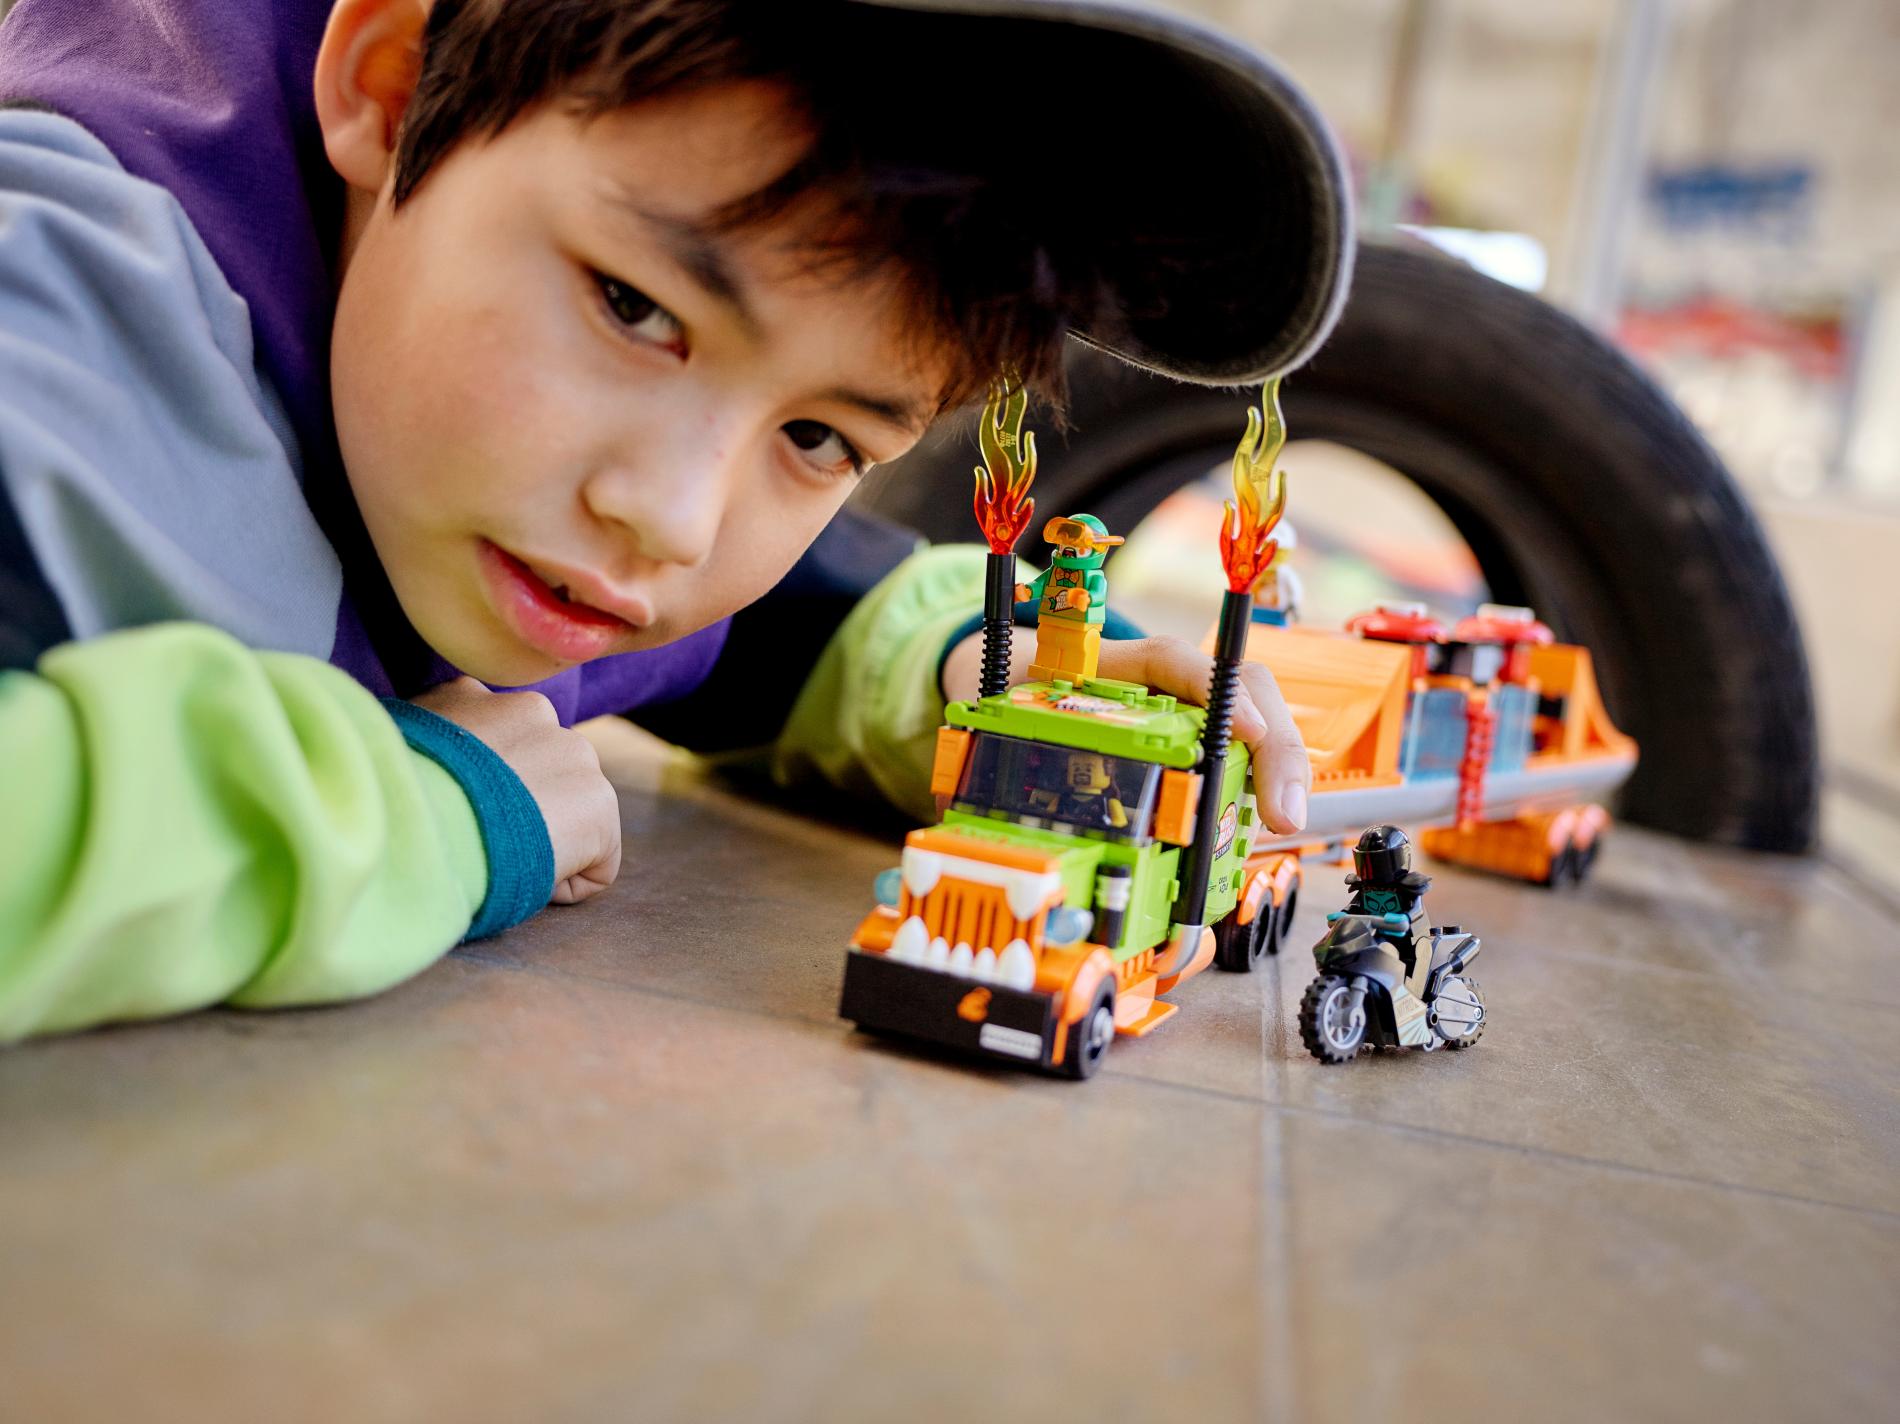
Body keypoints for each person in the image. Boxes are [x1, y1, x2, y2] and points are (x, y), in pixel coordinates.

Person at [0, 0, 1350, 1041]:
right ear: (393, 88)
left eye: (817, 437)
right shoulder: (57, 344)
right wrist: (408, 817)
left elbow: (775, 624)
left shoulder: (500, 474)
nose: (672, 521)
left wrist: (997, 691)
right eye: (635, 310)